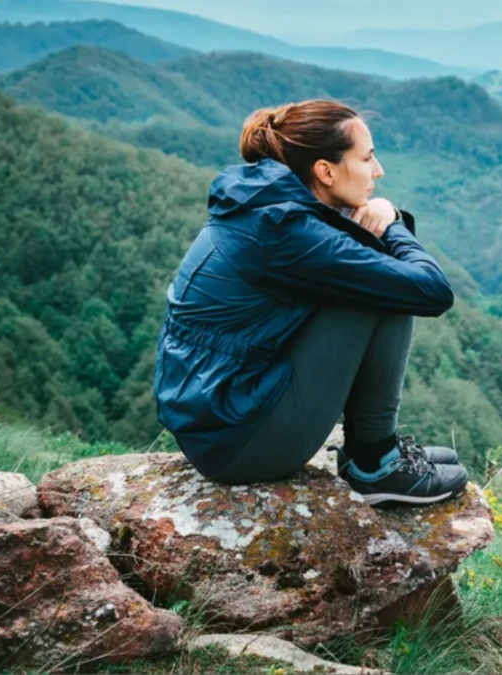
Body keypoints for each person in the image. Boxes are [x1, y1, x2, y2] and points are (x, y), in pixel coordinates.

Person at [152, 99, 468, 505]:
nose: (378, 171)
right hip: (238, 442)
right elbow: (430, 290)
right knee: (380, 291)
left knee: (373, 278)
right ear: (325, 170)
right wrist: (391, 225)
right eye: (367, 158)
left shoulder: (265, 205)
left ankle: (373, 451)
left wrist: (384, 220)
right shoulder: (286, 231)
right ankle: (376, 464)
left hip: (217, 417)